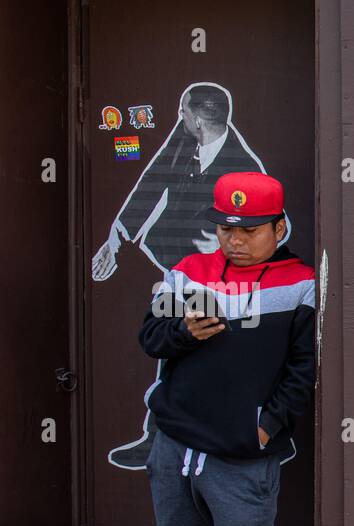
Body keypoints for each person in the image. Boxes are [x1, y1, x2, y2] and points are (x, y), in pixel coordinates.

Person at [142, 172, 315, 526]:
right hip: (175, 447)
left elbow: (304, 370)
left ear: (279, 227)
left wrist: (266, 427)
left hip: (243, 457)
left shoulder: (299, 283)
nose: (234, 239)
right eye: (225, 228)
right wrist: (184, 332)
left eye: (249, 230)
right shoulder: (191, 272)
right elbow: (149, 336)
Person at [90, 82, 292, 471]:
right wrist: (117, 238)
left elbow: (278, 229)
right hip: (186, 272)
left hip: (230, 283)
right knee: (177, 342)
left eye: (182, 112)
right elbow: (151, 182)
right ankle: (160, 438)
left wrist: (236, 266)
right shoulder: (185, 139)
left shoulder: (242, 166)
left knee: (230, 353)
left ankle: (265, 437)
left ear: (197, 120)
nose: (178, 118)